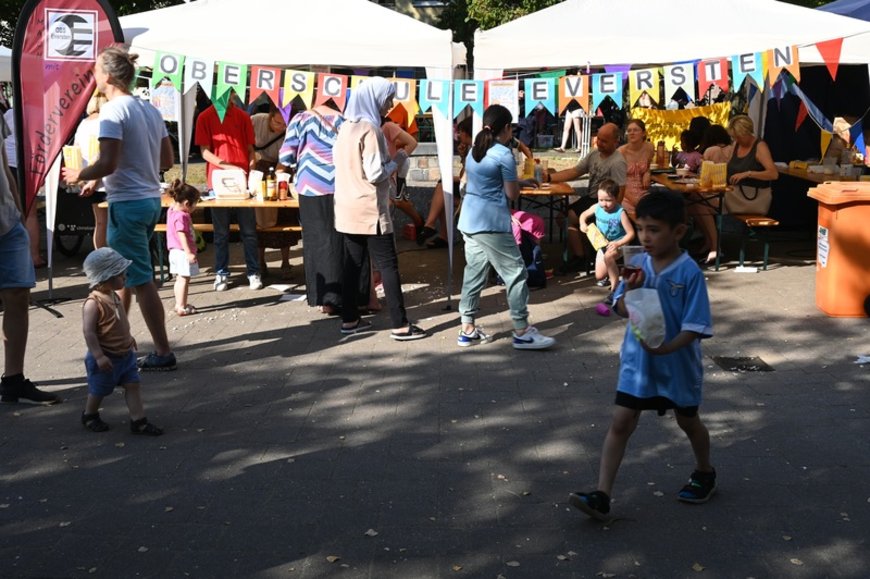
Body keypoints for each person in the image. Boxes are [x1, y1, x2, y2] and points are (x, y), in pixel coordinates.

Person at [569, 189, 715, 521]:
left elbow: (696, 325)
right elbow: (620, 308)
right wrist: (630, 290)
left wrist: (668, 347)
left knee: (688, 421)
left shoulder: (688, 272)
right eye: (642, 228)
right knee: (621, 421)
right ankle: (602, 494)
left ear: (678, 231)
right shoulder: (637, 264)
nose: (645, 237)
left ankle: (705, 471)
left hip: (678, 364)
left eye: (654, 229)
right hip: (638, 363)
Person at [62, 46, 176, 372]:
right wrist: (116, 175)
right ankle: (119, 340)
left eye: (95, 70)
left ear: (108, 76)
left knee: (141, 281)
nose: (92, 76)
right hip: (149, 199)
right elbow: (165, 161)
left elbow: (108, 162)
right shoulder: (149, 109)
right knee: (123, 275)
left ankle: (163, 351)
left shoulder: (112, 112)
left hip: (127, 204)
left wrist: (81, 173)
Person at [333, 77, 427, 341]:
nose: (390, 105)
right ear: (373, 99)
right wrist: (397, 159)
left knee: (352, 265)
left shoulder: (345, 128)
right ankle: (400, 325)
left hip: (346, 206)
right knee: (388, 265)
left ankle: (349, 319)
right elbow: (376, 174)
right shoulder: (370, 130)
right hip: (370, 208)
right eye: (387, 99)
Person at [456, 104, 555, 350]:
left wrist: (520, 180)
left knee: (475, 273)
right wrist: (519, 184)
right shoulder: (503, 154)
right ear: (507, 128)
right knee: (516, 273)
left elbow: (485, 181)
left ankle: (467, 328)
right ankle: (521, 330)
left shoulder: (474, 151)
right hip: (492, 223)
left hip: (469, 221)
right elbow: (511, 194)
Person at [280, 101, 372, 315]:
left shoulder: (300, 119)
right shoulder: (345, 120)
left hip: (310, 186)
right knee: (346, 240)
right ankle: (356, 297)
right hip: (342, 183)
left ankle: (327, 300)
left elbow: (285, 157)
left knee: (319, 242)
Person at [0, 118, 60, 405]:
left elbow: (3, 161)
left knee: (18, 295)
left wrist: (18, 211)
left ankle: (13, 380)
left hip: (7, 222)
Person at [80, 247, 163, 435]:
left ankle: (138, 421)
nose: (125, 278)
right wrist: (99, 355)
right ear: (105, 277)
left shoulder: (114, 295)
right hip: (105, 358)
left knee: (133, 384)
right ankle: (90, 414)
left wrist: (129, 337)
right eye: (121, 275)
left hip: (124, 355)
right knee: (99, 390)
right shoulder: (93, 303)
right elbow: (89, 332)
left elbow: (119, 322)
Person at [195, 91, 261, 291]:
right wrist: (227, 166)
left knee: (249, 231)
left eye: (230, 92)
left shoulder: (242, 116)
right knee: (220, 233)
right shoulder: (205, 116)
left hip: (242, 179)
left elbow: (251, 149)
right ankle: (221, 272)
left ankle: (254, 272)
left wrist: (251, 169)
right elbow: (204, 151)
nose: (226, 96)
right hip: (218, 180)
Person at [544, 122, 627, 272]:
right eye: (598, 139)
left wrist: (611, 213)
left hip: (604, 203)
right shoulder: (594, 154)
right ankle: (585, 254)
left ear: (616, 142)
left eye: (604, 141)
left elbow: (621, 191)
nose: (599, 143)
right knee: (563, 218)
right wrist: (549, 178)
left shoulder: (618, 162)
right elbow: (575, 171)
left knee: (568, 218)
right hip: (591, 199)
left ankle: (583, 257)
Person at [251, 105, 296, 280]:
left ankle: (285, 262)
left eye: (284, 125)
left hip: (281, 170)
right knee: (260, 219)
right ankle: (261, 262)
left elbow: (284, 161)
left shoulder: (291, 128)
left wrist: (278, 178)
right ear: (270, 116)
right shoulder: (256, 120)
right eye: (278, 123)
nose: (281, 128)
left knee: (285, 218)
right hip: (259, 168)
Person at [415, 117, 474, 249]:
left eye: (460, 132)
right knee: (442, 192)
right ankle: (437, 232)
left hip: (474, 195)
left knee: (443, 188)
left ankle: (432, 227)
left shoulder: (477, 150)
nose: (458, 135)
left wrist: (451, 178)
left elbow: (466, 177)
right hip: (469, 191)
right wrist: (463, 156)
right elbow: (464, 175)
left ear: (466, 133)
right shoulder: (471, 149)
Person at [578, 179, 635, 303]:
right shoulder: (597, 207)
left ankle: (615, 289)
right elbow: (583, 214)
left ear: (616, 198)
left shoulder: (620, 213)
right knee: (599, 276)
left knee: (609, 257)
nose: (604, 204)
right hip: (603, 242)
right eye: (601, 200)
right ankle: (614, 273)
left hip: (620, 242)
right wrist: (582, 223)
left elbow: (631, 233)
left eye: (608, 200)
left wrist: (617, 243)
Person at [2, 106, 45, 268]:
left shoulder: (10, 113)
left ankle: (16, 256)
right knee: (30, 213)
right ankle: (34, 257)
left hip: (9, 164)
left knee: (11, 211)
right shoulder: (43, 111)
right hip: (30, 165)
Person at [73, 92, 110, 249]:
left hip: (89, 178)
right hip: (107, 179)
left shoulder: (83, 124)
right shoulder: (106, 122)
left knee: (100, 223)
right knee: (114, 224)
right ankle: (114, 260)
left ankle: (101, 259)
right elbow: (104, 152)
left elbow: (75, 151)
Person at [725, 115, 778, 215]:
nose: (736, 140)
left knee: (705, 207)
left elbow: (773, 174)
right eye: (734, 137)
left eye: (738, 137)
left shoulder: (760, 147)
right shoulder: (736, 145)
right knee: (699, 205)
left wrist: (748, 174)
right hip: (734, 195)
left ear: (747, 133)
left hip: (751, 198)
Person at [165, 179, 200, 316]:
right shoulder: (182, 216)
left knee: (180, 279)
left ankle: (179, 303)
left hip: (174, 251)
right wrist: (189, 252)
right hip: (181, 252)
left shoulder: (172, 210)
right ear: (186, 203)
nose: (196, 207)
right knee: (184, 279)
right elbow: (182, 234)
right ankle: (181, 306)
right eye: (195, 203)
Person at [618, 119, 654, 219]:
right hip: (624, 194)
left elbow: (651, 164)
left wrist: (647, 172)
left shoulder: (649, 148)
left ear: (643, 133)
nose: (631, 133)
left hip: (643, 191)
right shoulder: (621, 152)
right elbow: (616, 181)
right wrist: (633, 199)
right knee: (640, 217)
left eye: (635, 130)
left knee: (658, 212)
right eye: (629, 131)